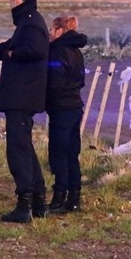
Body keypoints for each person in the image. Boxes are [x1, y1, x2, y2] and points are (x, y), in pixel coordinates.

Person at [0, 0, 50, 223]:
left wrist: (11, 55)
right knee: (25, 147)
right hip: (22, 95)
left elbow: (36, 50)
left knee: (18, 149)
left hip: (22, 95)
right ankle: (39, 202)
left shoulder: (31, 23)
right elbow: (13, 46)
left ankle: (25, 206)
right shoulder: (28, 22)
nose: (9, 2)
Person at [45, 16, 88, 213]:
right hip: (75, 106)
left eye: (52, 29)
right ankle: (75, 197)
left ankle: (59, 198)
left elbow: (55, 81)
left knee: (59, 153)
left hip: (61, 108)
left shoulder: (56, 51)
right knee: (72, 152)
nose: (50, 33)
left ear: (60, 31)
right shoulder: (76, 51)